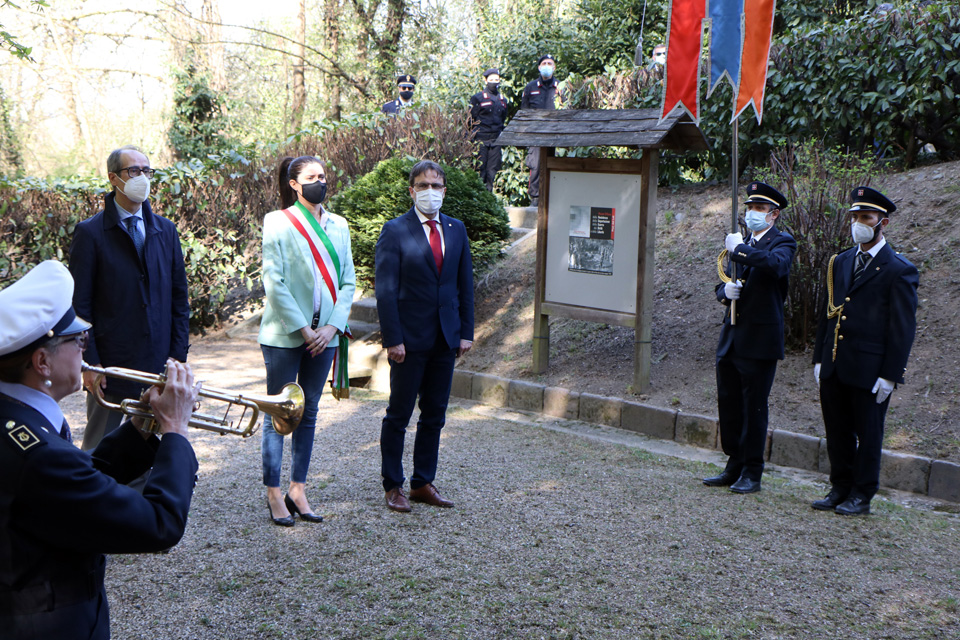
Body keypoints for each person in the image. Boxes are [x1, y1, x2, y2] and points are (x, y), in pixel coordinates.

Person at [0, 260, 199, 640]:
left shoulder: (16, 419)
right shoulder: (40, 455)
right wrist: (175, 429)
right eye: (79, 341)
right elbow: (160, 523)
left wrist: (139, 427)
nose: (84, 351)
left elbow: (70, 489)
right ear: (42, 362)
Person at [69, 145, 190, 452]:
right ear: (114, 178)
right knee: (99, 451)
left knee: (149, 454)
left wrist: (177, 356)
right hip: (111, 367)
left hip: (158, 364)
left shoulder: (166, 230)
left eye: (147, 171)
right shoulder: (90, 233)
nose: (142, 178)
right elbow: (80, 305)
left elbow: (179, 298)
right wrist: (90, 364)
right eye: (133, 171)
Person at [259, 155, 356, 526]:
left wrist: (332, 328)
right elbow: (274, 281)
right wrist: (303, 328)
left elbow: (348, 282)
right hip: (286, 333)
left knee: (310, 410)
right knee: (279, 411)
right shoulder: (278, 221)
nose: (321, 182)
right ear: (295, 184)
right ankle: (273, 491)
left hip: (325, 336)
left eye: (324, 176)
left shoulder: (339, 225)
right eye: (312, 177)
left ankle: (297, 488)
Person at [811, 186, 918, 516]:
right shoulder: (841, 261)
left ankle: (862, 493)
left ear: (883, 222)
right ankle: (840, 487)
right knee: (837, 431)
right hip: (835, 363)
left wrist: (891, 375)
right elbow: (827, 313)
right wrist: (819, 357)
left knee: (869, 434)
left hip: (870, 369)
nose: (858, 223)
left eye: (866, 217)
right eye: (855, 216)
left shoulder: (899, 268)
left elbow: (902, 328)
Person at [375, 160, 474, 512]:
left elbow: (464, 284)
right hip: (409, 339)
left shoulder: (456, 229)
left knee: (435, 414)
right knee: (399, 415)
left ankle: (422, 483)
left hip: (446, 338)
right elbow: (386, 290)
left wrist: (466, 332)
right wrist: (393, 338)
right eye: (423, 185)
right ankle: (393, 485)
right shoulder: (395, 230)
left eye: (435, 185)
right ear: (412, 190)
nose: (429, 191)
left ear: (444, 190)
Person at [703, 182, 797, 494]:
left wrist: (740, 250)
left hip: (759, 340)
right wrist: (724, 292)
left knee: (754, 407)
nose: (752, 213)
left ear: (774, 214)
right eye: (750, 207)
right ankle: (735, 463)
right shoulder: (741, 243)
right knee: (730, 403)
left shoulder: (782, 242)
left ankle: (752, 471)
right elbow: (724, 282)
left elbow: (775, 266)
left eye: (759, 208)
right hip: (732, 335)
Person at [520, 54, 562, 206]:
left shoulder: (561, 87)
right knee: (536, 166)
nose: (546, 66)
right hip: (535, 136)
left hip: (555, 135)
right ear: (539, 67)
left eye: (550, 63)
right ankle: (535, 199)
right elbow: (524, 112)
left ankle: (552, 199)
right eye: (544, 63)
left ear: (554, 67)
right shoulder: (530, 87)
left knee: (555, 166)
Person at [469, 68, 509, 191]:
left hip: (495, 141)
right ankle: (478, 196)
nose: (494, 82)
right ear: (486, 81)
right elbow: (470, 120)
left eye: (496, 80)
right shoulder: (478, 98)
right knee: (480, 170)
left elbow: (503, 119)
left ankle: (489, 196)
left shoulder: (503, 100)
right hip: (480, 140)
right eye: (491, 79)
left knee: (492, 171)